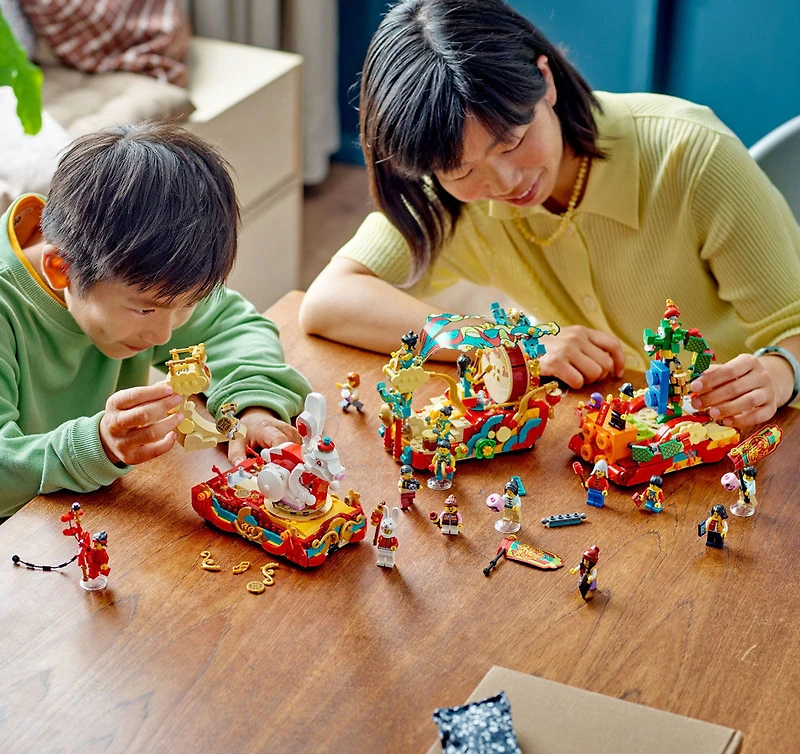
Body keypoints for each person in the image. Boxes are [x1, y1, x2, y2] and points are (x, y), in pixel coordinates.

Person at [299, 0, 800, 430]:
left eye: (512, 141)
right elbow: (330, 301)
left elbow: (793, 327)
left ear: (545, 79)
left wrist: (779, 374)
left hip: (755, 428)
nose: (504, 183)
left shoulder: (692, 155)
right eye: (460, 169)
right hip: (622, 427)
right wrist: (514, 343)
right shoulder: (450, 199)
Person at [0, 122, 312, 518]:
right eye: (145, 310)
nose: (165, 334)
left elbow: (234, 328)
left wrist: (252, 407)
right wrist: (97, 445)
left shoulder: (135, 278)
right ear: (61, 268)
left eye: (188, 303)